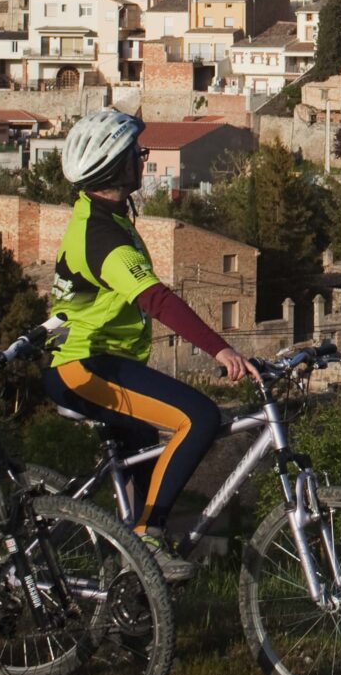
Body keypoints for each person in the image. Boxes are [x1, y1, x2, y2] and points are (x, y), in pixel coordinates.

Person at [39, 107, 253, 581]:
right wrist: (221, 349)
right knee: (198, 418)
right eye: (137, 152)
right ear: (118, 167)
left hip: (100, 361)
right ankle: (147, 540)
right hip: (84, 366)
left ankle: (131, 590)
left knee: (149, 465)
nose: (143, 156)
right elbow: (156, 299)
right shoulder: (102, 237)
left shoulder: (104, 216)